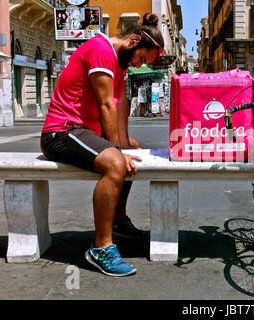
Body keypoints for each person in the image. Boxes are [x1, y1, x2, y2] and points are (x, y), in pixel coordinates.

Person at [40, 13, 166, 277]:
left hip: (83, 131)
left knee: (132, 150)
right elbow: (106, 104)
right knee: (116, 163)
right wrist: (116, 154)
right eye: (141, 58)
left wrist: (124, 146)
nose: (137, 65)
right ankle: (101, 248)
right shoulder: (100, 50)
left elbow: (119, 109)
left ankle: (118, 219)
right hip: (61, 131)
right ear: (133, 41)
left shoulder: (120, 65)